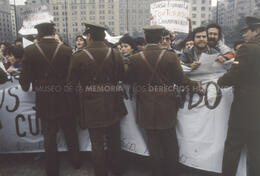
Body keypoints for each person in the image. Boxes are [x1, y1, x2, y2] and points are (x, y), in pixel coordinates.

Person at [127, 25, 202, 176]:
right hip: (167, 104)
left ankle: (156, 172)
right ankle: (172, 172)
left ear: (146, 38)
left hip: (145, 104)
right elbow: (181, 81)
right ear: (161, 38)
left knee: (153, 141)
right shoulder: (170, 56)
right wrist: (196, 86)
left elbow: (129, 79)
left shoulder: (135, 58)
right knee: (170, 141)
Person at [19, 22, 81, 176]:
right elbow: (74, 77)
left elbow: (25, 81)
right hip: (65, 97)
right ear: (54, 31)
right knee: (70, 132)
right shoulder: (67, 50)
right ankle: (76, 162)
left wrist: (28, 84)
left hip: (44, 98)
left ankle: (52, 170)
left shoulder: (30, 51)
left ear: (38, 34)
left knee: (49, 135)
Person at [67, 23, 127, 176]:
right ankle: (118, 170)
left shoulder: (78, 55)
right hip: (113, 101)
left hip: (90, 103)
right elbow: (122, 77)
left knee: (97, 143)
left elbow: (71, 85)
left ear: (89, 36)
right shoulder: (115, 53)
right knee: (114, 140)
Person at [217, 17, 260, 176]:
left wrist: (220, 81)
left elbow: (234, 75)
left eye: (246, 31)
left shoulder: (248, 48)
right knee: (258, 152)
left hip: (244, 109)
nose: (244, 35)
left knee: (233, 147)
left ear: (256, 31)